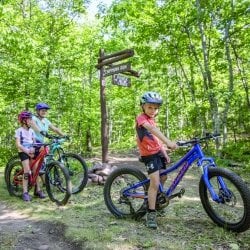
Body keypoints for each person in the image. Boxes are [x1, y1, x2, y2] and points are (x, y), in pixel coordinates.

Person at [136, 91, 178, 229]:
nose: (153, 110)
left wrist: (164, 152)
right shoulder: (141, 119)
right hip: (149, 155)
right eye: (150, 107)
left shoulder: (152, 119)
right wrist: (168, 142)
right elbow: (152, 130)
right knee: (154, 182)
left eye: (155, 108)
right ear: (143, 107)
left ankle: (158, 200)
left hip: (157, 153)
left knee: (164, 176)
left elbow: (156, 140)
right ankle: (151, 213)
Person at [15, 111, 46, 202]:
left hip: (31, 151)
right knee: (27, 171)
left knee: (35, 170)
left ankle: (38, 190)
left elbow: (34, 142)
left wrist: (33, 148)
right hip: (23, 152)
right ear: (24, 121)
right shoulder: (19, 131)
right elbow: (18, 144)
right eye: (29, 119)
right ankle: (25, 192)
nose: (31, 121)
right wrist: (27, 151)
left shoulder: (32, 131)